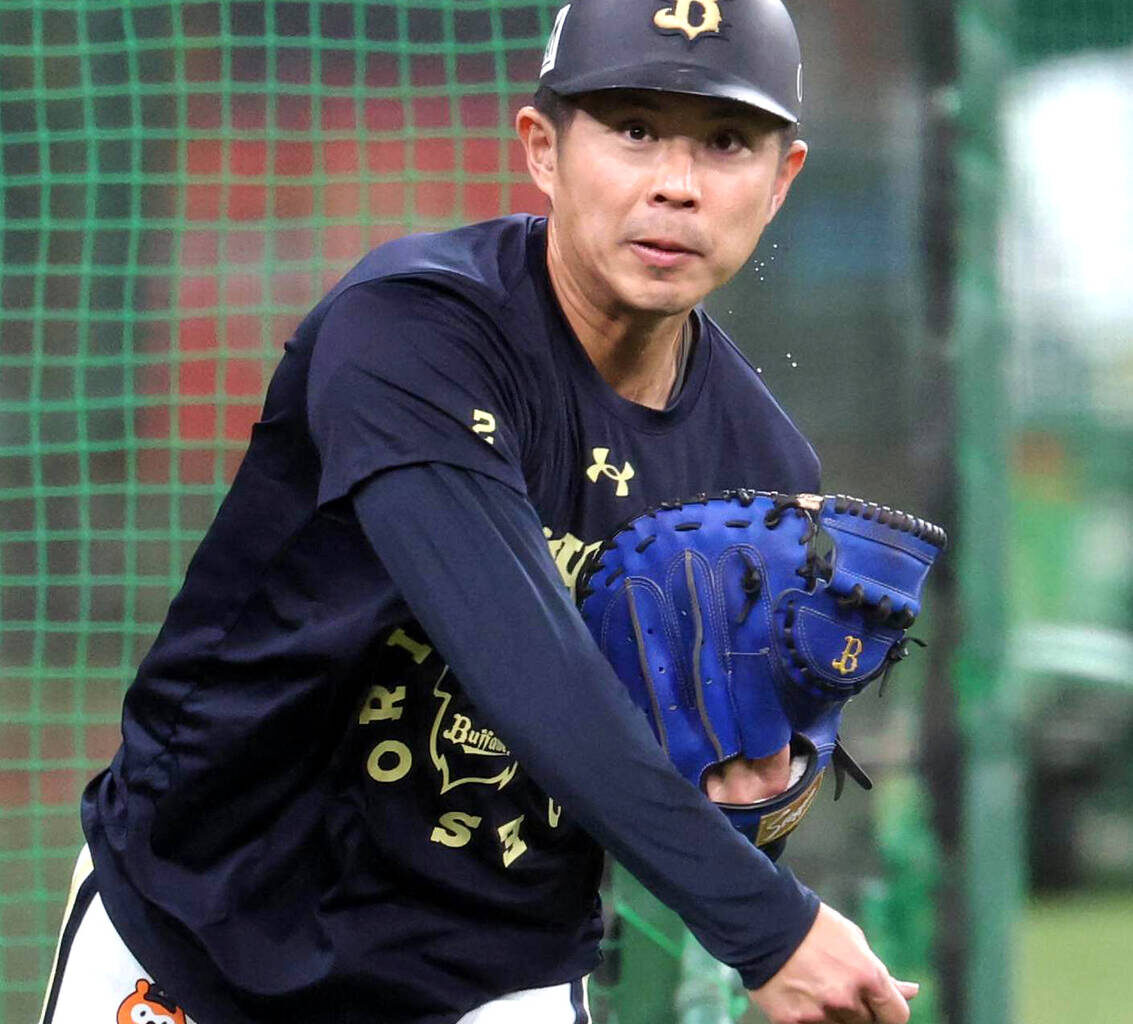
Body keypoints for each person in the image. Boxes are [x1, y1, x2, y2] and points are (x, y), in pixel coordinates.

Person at [40, 2, 919, 1022]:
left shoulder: (757, 469)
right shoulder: (411, 331)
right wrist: (766, 923)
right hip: (206, 932)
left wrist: (759, 790)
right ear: (542, 150)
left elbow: (722, 782)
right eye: (631, 128)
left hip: (492, 976)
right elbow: (514, 648)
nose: (674, 182)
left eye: (725, 141)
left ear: (780, 181)